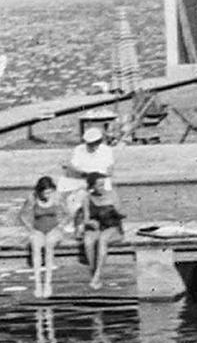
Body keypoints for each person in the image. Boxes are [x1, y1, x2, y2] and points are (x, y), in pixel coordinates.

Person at [65, 120, 120, 288]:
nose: (93, 146)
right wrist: (85, 174)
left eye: (96, 143)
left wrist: (99, 179)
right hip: (83, 179)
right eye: (90, 144)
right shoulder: (78, 151)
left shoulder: (106, 151)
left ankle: (103, 220)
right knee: (77, 197)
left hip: (101, 180)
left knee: (106, 196)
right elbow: (72, 167)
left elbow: (110, 170)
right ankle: (78, 224)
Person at [18, 173, 65, 298]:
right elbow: (22, 215)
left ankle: (48, 283)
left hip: (54, 229)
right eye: (45, 193)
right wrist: (29, 228)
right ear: (40, 191)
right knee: (35, 245)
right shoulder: (33, 198)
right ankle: (38, 284)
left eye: (50, 192)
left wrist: (61, 226)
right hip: (38, 230)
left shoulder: (57, 197)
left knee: (49, 244)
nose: (47, 195)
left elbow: (68, 213)